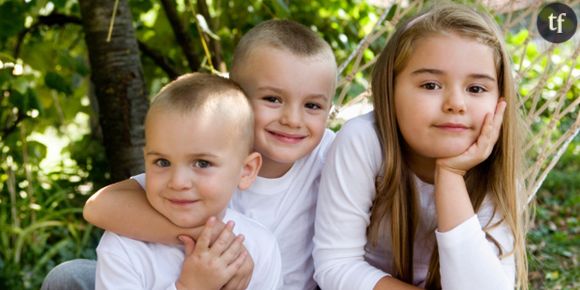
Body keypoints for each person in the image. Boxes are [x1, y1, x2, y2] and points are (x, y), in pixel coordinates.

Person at [52, 19, 336, 290]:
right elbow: (98, 207)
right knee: (70, 278)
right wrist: (212, 241)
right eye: (273, 99)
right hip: (174, 274)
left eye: (312, 106)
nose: (292, 119)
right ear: (234, 93)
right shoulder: (194, 149)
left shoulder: (331, 155)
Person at [313, 3, 528, 290]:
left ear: (500, 102)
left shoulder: (496, 173)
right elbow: (335, 266)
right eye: (430, 85)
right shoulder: (363, 141)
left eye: (476, 88)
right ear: (390, 90)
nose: (456, 104)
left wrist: (450, 174)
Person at [96, 72, 281, 289]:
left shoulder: (260, 247)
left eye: (202, 163)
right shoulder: (122, 247)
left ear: (246, 171)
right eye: (163, 162)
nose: (178, 182)